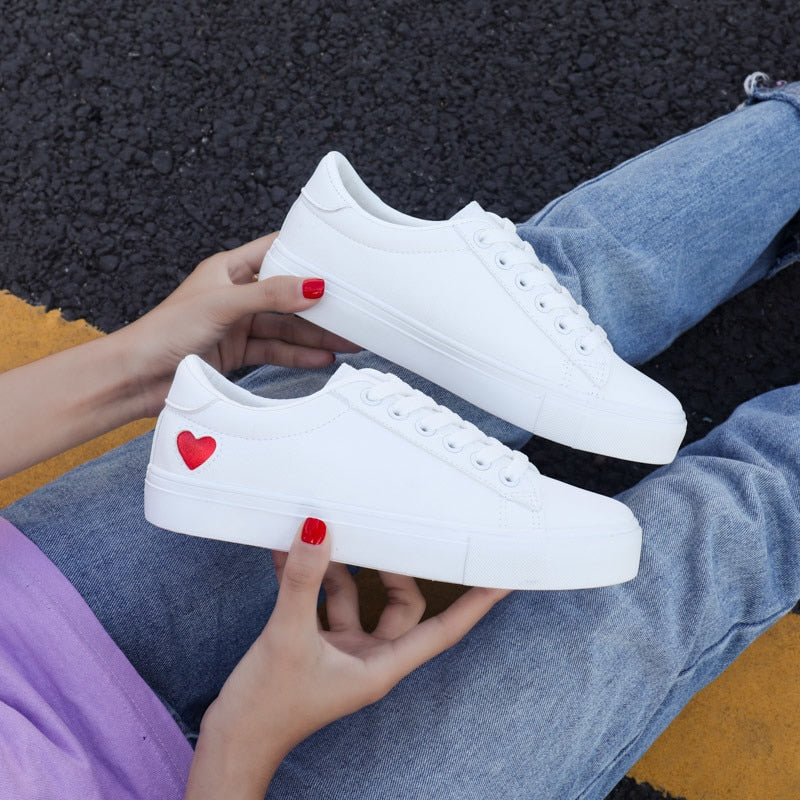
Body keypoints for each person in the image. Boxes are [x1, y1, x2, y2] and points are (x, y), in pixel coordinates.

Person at [1, 73, 799, 799]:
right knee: (670, 578)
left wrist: (133, 369)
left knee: (487, 334)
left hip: (28, 621)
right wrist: (241, 747)